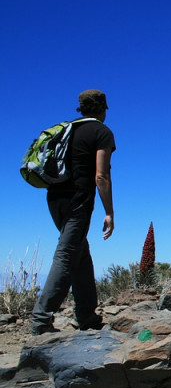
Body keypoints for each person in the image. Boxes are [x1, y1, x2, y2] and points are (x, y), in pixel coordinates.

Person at [30, 89, 116, 335]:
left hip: (54, 197)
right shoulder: (101, 132)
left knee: (80, 252)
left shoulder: (67, 128)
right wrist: (109, 211)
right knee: (67, 254)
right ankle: (40, 321)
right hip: (79, 198)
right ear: (102, 108)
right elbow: (101, 175)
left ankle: (86, 315)